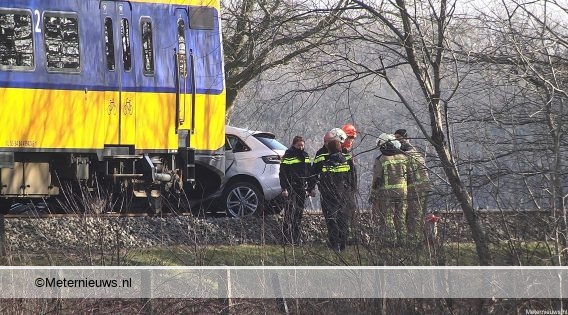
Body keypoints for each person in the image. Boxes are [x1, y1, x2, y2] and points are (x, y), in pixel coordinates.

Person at [394, 129, 432, 243]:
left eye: (398, 138)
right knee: (419, 215)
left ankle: (415, 242)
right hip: (424, 187)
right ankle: (420, 239)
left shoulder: (405, 154)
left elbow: (404, 175)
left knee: (413, 216)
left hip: (415, 188)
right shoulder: (415, 151)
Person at [370, 133, 408, 244]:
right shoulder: (403, 157)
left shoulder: (381, 159)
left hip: (387, 193)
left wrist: (373, 194)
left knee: (388, 218)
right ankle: (403, 241)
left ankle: (392, 242)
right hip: (403, 192)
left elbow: (377, 179)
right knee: (401, 217)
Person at [317, 138, 352, 252]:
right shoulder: (346, 162)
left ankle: (334, 245)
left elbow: (324, 182)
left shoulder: (328, 164)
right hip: (345, 196)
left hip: (330, 198)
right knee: (343, 220)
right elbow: (352, 179)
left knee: (332, 220)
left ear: (329, 149)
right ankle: (343, 245)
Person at [279, 136, 315, 245]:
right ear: (294, 144)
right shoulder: (288, 155)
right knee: (289, 214)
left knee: (298, 214)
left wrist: (311, 188)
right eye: (299, 145)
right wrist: (284, 188)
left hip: (301, 188)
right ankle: (285, 238)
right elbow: (283, 173)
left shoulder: (305, 156)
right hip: (290, 188)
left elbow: (309, 173)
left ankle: (296, 239)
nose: (301, 147)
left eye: (302, 145)